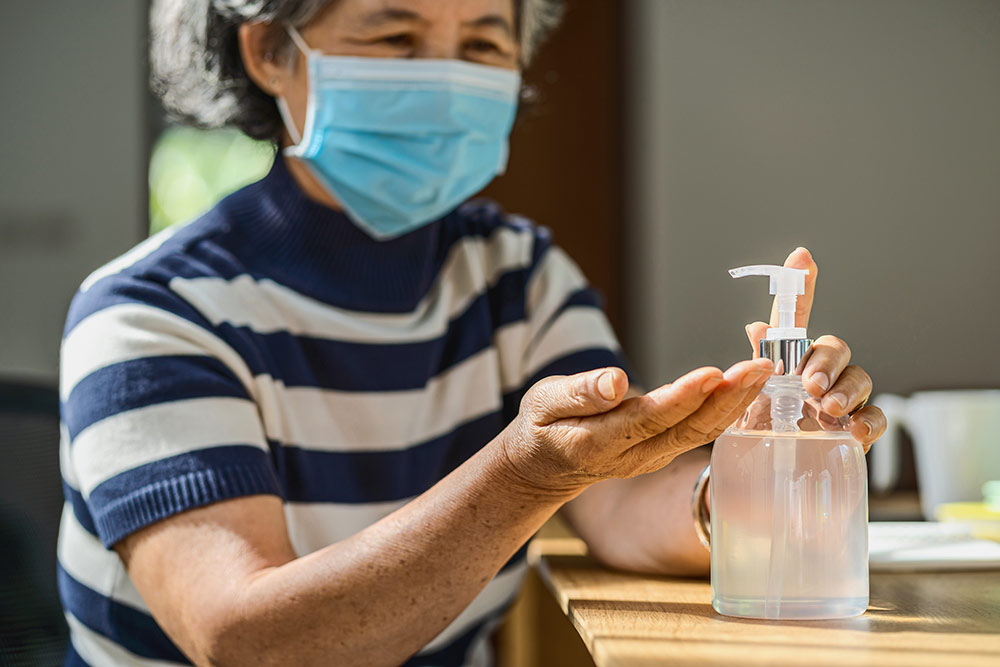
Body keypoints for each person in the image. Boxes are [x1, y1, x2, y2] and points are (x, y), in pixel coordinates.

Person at [56, 1, 886, 665]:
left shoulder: (516, 274)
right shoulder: (151, 316)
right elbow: (250, 642)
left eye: (484, 44)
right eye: (395, 35)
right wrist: (520, 480)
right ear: (272, 50)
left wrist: (753, 480)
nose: (448, 79)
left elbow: (624, 499)